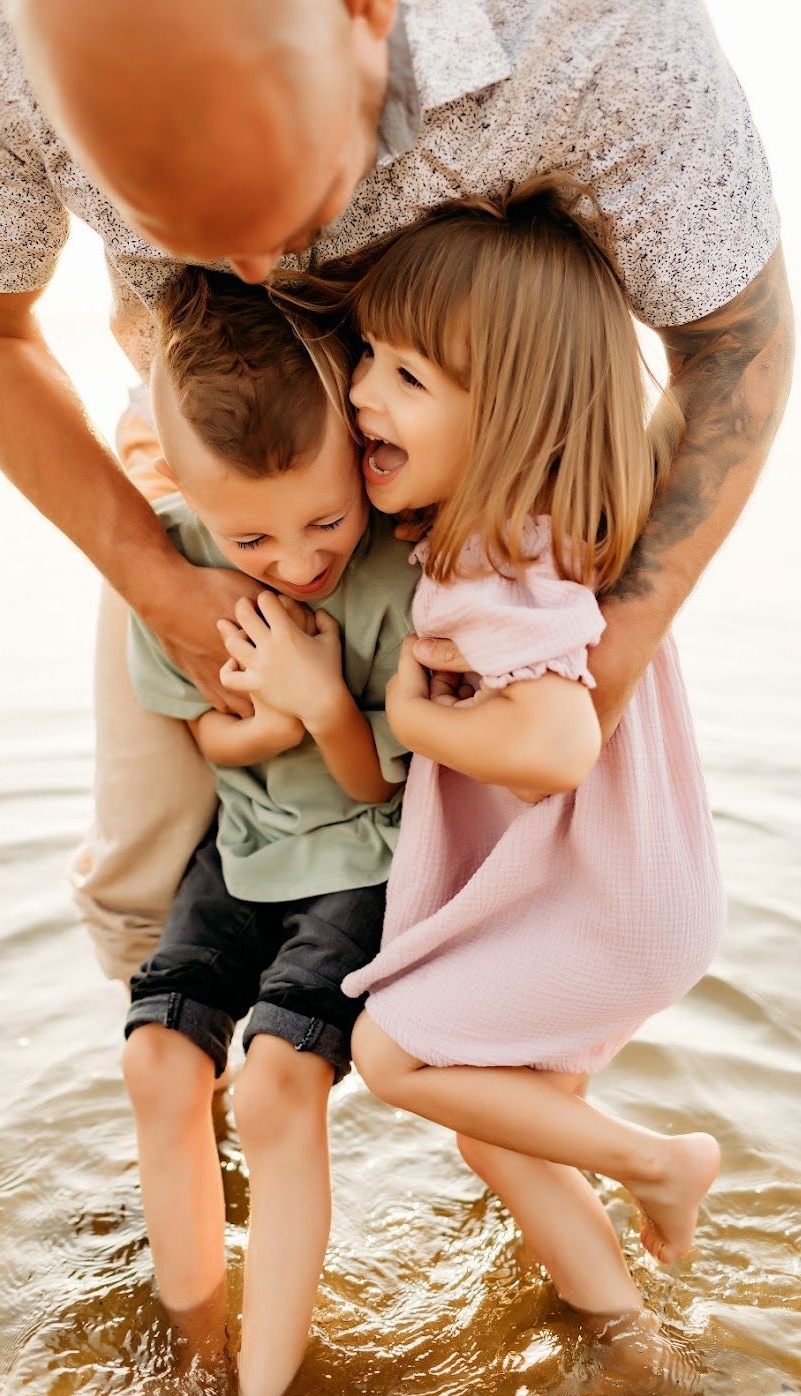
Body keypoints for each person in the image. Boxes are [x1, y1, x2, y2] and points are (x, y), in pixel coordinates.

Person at [0, 0, 792, 982]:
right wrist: (160, 581)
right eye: (175, 228)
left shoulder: (599, 28)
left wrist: (602, 658)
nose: (259, 271)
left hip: (477, 514)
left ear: (365, 12)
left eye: (296, 198)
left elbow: (735, 344)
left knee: (533, 909)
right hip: (215, 493)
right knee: (144, 892)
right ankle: (197, 1118)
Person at [291, 179, 723, 1337]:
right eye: (370, 354)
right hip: (633, 888)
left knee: (392, 1050)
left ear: (515, 418)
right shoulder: (547, 531)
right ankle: (621, 1332)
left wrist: (415, 717)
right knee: (501, 1124)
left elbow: (553, 746)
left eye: (408, 378)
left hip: (605, 898)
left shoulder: (490, 558)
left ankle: (662, 1162)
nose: (362, 394)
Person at [119, 267, 418, 1396]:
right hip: (246, 847)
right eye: (255, 537)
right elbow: (207, 740)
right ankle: (195, 1351)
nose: (298, 562)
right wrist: (274, 717)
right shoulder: (172, 551)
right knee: (158, 1059)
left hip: (366, 855)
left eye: (324, 521)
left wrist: (322, 707)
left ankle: (267, 1386)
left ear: (357, 451)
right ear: (186, 490)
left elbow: (380, 783)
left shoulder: (395, 568)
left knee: (275, 1083)